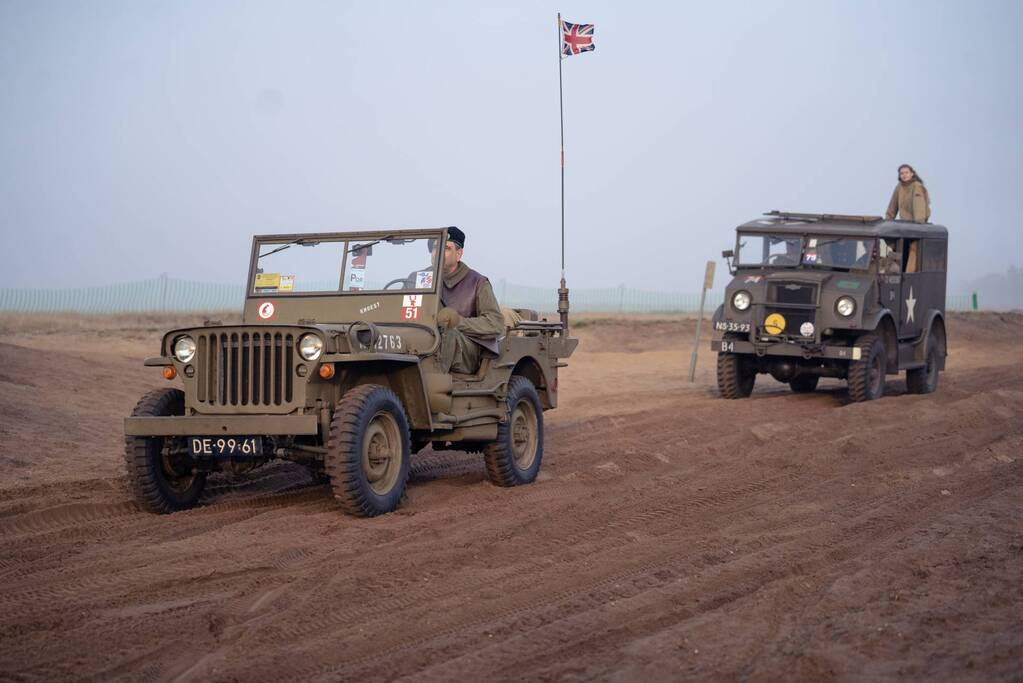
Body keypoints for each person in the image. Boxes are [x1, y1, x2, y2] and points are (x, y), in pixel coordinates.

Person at [434, 227, 505, 374]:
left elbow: (495, 322)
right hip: (428, 339)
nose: (437, 252)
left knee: (449, 335)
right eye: (435, 247)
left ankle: (435, 379)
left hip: (466, 349)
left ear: (458, 254)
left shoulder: (477, 282)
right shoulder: (420, 279)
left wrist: (457, 322)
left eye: (446, 248)